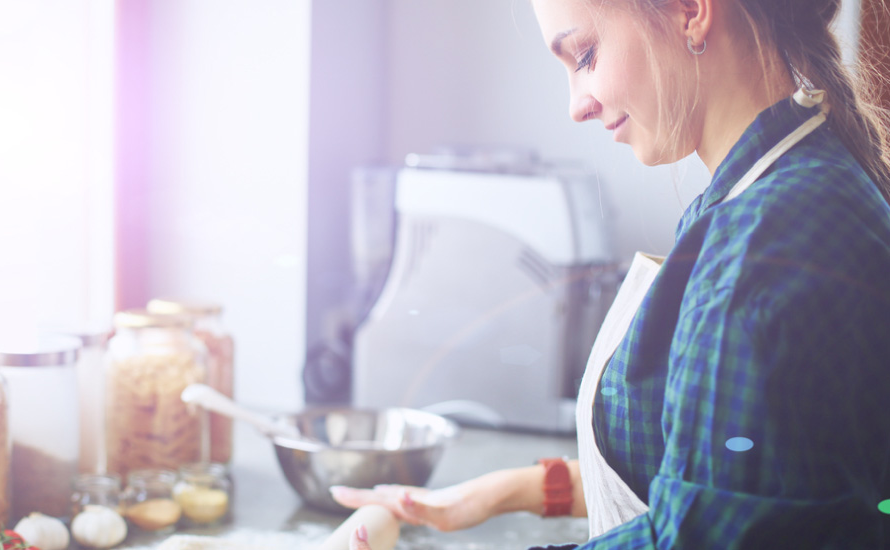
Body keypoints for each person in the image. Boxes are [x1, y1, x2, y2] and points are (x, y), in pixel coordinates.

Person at [333, 0, 890, 547]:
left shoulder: (763, 248)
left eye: (585, 56)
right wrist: (507, 491)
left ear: (691, 11)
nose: (576, 105)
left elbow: (700, 534)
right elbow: (719, 476)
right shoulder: (778, 192)